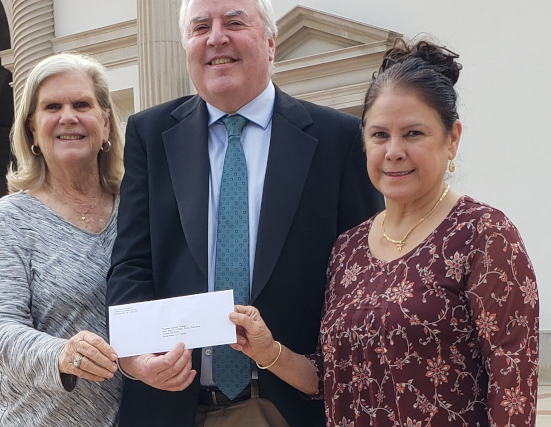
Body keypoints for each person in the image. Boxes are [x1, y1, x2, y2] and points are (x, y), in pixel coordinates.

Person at [105, 0, 383, 427]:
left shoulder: (338, 139)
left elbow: (361, 284)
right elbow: (131, 264)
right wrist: (136, 358)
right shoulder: (151, 135)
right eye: (200, 28)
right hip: (171, 406)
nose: (216, 38)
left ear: (270, 42)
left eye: (234, 22)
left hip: (292, 406)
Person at [229, 39, 539, 426]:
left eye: (413, 134)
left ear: (452, 138)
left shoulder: (483, 235)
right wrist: (268, 350)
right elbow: (331, 380)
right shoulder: (348, 248)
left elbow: (512, 389)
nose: (393, 151)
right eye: (379, 135)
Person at [0, 53, 125, 426]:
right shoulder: (8, 220)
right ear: (33, 131)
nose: (68, 116)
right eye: (52, 106)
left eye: (82, 104)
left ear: (105, 124)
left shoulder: (138, 210)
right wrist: (61, 354)